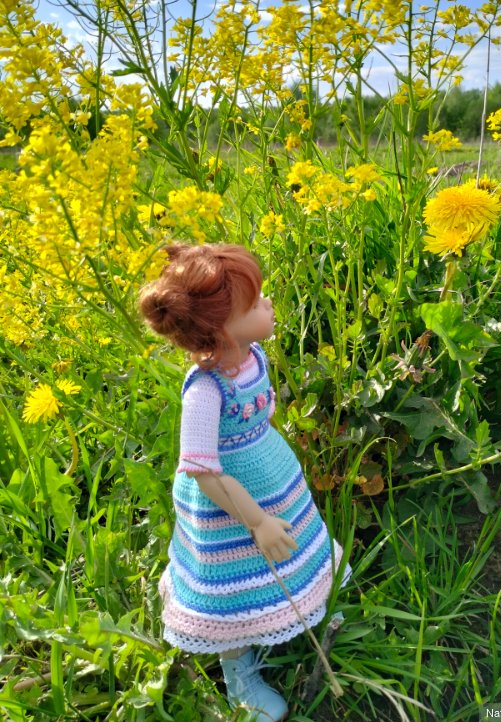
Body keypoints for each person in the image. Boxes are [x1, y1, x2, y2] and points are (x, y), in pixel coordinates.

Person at [139, 242, 348, 722]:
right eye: (254, 305)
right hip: (229, 506)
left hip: (272, 475)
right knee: (232, 584)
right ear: (219, 329)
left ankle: (304, 603)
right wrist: (255, 520)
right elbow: (202, 468)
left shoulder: (253, 357)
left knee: (294, 540)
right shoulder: (206, 390)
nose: (268, 306)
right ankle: (240, 673)